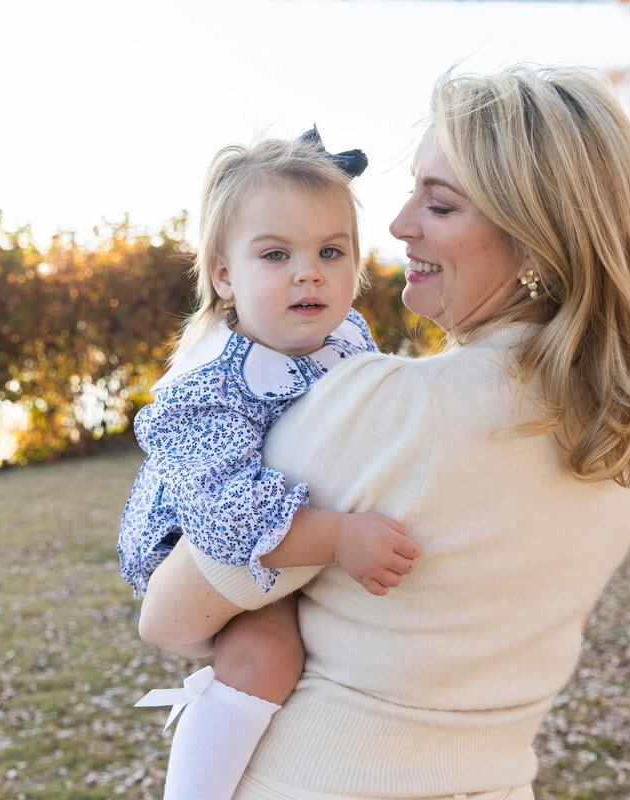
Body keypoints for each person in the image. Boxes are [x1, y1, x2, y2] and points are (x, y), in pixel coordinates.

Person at [138, 65, 630, 800]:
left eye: (438, 204)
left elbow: (169, 617)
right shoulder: (622, 444)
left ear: (534, 240)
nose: (399, 226)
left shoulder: (386, 408)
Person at [118, 130, 422, 799]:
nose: (308, 271)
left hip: (284, 521)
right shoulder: (209, 388)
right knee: (266, 656)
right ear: (225, 275)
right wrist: (342, 536)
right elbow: (227, 521)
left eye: (330, 251)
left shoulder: (343, 335)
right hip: (197, 538)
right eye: (275, 254)